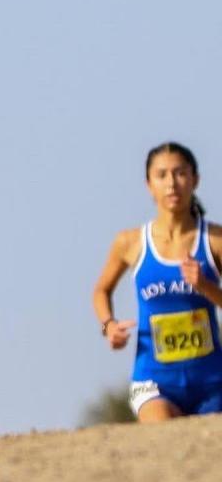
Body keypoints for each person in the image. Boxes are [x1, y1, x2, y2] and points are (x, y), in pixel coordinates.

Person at [93, 142, 222, 421]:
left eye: (180, 173)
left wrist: (207, 287)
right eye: (161, 175)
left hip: (212, 382)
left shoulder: (215, 241)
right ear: (149, 185)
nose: (172, 183)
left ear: (195, 180)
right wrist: (108, 325)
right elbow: (102, 290)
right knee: (162, 440)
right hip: (154, 383)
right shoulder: (130, 243)